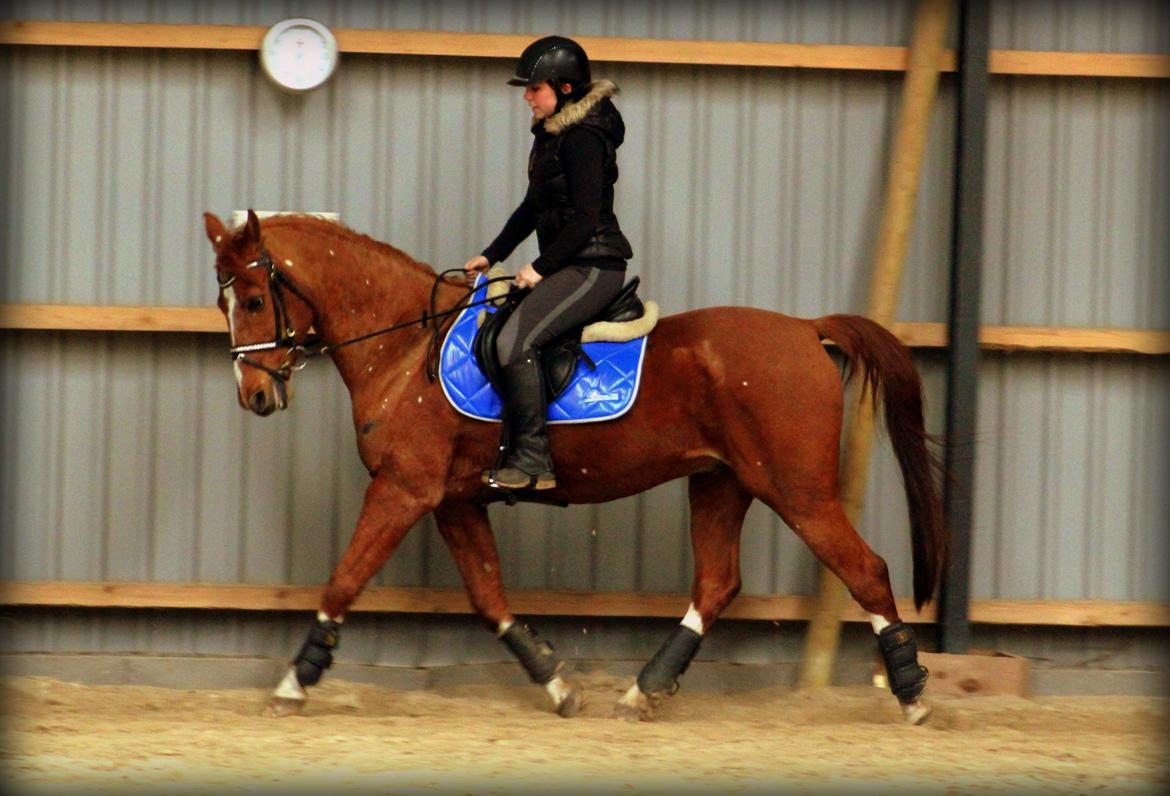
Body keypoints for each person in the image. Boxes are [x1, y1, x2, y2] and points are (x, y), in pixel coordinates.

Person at [464, 35, 633, 492]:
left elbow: (586, 219)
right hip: (569, 263)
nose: (527, 97)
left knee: (514, 343)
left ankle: (533, 461)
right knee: (499, 330)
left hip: (593, 267)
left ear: (565, 88)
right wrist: (492, 254)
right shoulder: (552, 137)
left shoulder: (583, 138)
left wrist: (539, 268)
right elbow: (531, 209)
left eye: (534, 88)